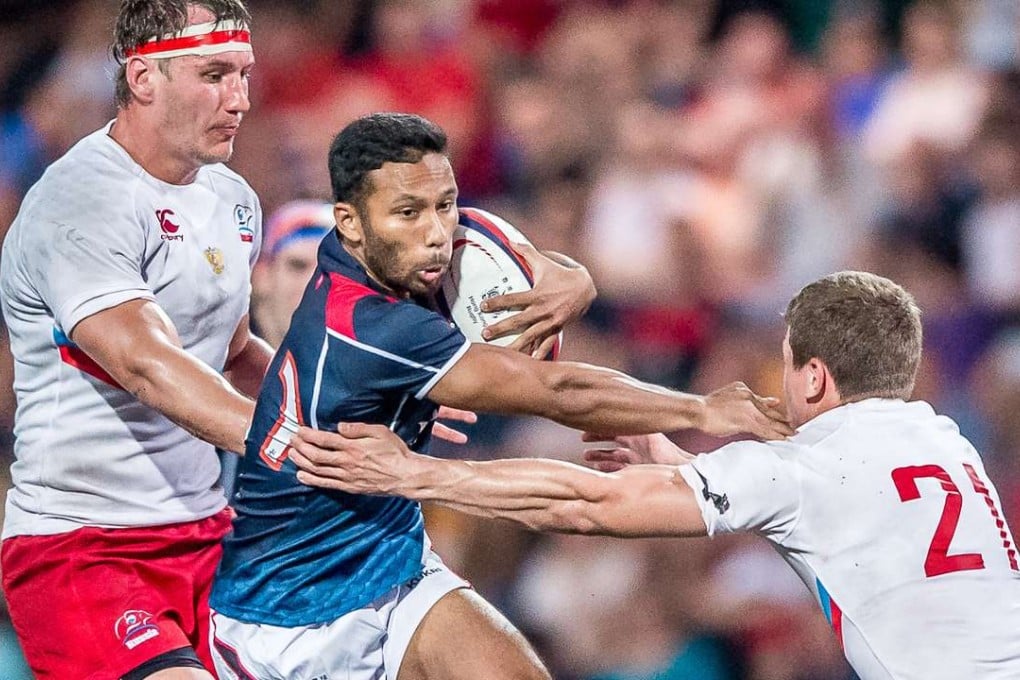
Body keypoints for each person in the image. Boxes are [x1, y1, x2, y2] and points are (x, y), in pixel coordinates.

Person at [0, 3, 595, 678]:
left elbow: (234, 357)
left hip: (214, 537)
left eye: (245, 74)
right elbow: (146, 364)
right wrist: (294, 444)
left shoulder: (229, 198)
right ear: (143, 80)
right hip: (87, 550)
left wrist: (368, 401)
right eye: (216, 75)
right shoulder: (78, 201)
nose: (242, 99)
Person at [206, 112, 792, 680]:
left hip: (393, 567)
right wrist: (701, 408)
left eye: (444, 204)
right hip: (281, 621)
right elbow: (556, 390)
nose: (436, 233)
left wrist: (574, 277)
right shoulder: (363, 328)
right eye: (409, 213)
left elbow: (523, 259)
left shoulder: (402, 253)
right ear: (351, 223)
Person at [291, 270, 1020, 680]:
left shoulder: (806, 468)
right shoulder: (946, 443)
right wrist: (683, 464)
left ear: (816, 377)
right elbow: (832, 512)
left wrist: (414, 472)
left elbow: (586, 504)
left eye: (788, 359)